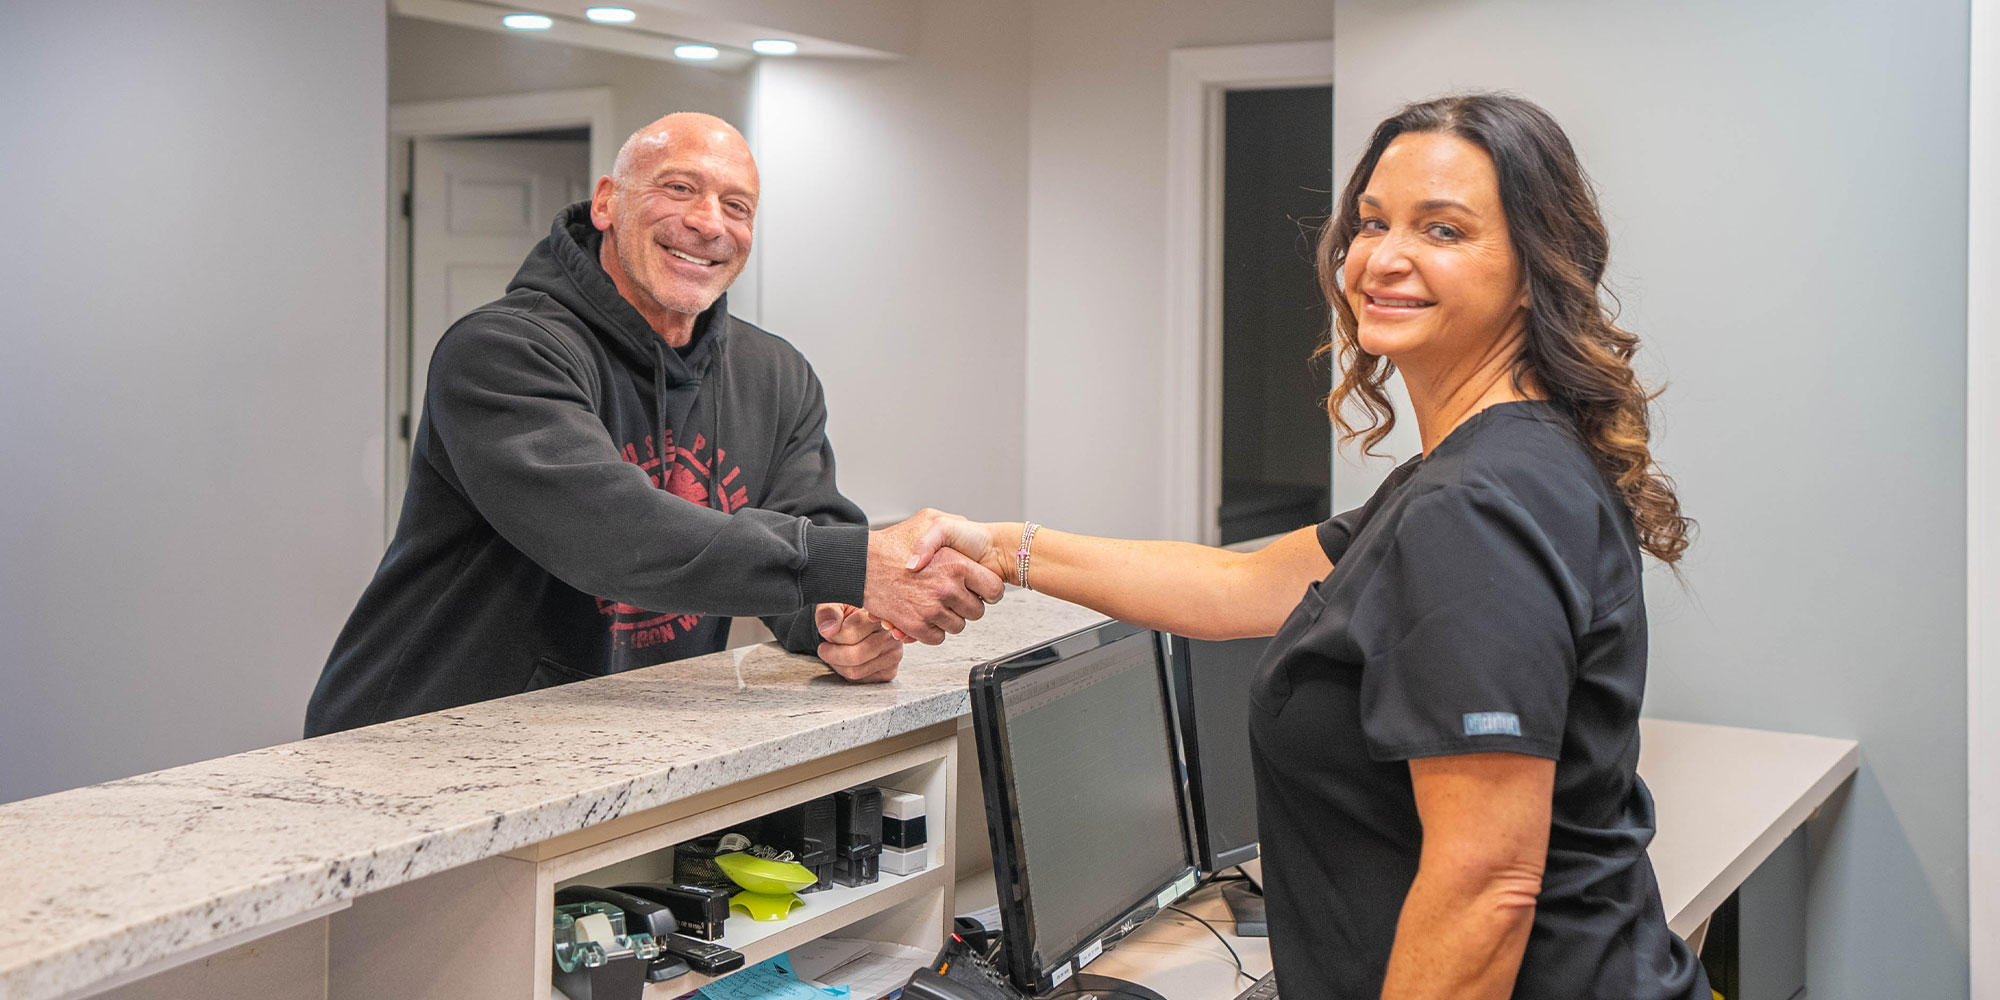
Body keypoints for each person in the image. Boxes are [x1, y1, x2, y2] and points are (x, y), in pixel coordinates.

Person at [908, 94, 1709, 999]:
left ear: (1533, 270)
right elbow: (1236, 583)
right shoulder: (1487, 466)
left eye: (1442, 230)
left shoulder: (1476, 504)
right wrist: (997, 545)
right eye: (1372, 223)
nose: (1384, 257)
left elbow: (1488, 886)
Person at [306, 113, 1000, 737]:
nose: (708, 223)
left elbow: (804, 533)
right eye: (679, 188)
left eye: (737, 206)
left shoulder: (776, 374)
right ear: (607, 202)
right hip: (423, 736)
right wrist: (854, 565)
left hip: (619, 733)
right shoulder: (503, 352)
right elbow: (613, 534)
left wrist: (838, 621)